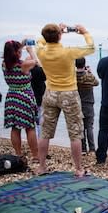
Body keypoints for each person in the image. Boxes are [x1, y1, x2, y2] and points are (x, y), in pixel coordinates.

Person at [36, 23, 95, 177]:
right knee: (75, 133)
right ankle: (78, 168)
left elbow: (40, 41)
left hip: (50, 93)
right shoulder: (68, 52)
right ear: (60, 36)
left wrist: (56, 31)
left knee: (45, 132)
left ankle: (41, 166)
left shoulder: (41, 52)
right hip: (69, 93)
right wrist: (84, 32)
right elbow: (91, 48)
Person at [2, 40, 41, 164]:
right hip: (24, 97)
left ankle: (18, 155)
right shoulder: (23, 64)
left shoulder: (4, 64)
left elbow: (12, 54)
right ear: (17, 53)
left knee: (15, 127)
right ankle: (35, 156)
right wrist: (31, 51)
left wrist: (21, 45)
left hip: (11, 97)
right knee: (29, 127)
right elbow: (38, 63)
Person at [75, 57, 99, 155]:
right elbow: (96, 83)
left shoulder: (73, 76)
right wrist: (89, 72)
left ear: (75, 65)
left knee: (81, 128)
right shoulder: (88, 76)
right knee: (89, 127)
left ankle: (83, 149)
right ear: (84, 64)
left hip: (77, 104)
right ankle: (92, 149)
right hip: (89, 103)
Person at [30, 64, 46, 137]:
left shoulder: (29, 73)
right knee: (40, 121)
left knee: (34, 121)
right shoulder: (40, 73)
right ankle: (39, 138)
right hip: (40, 100)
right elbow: (45, 76)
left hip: (32, 99)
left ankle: (35, 137)